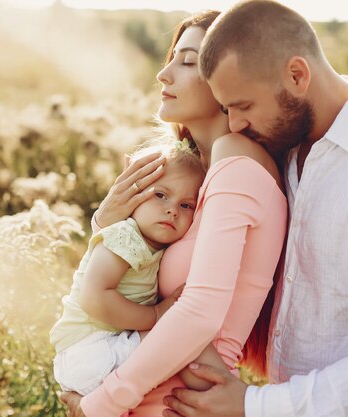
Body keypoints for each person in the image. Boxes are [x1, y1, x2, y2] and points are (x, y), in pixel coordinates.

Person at [161, 1, 348, 416]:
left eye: (243, 106)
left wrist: (256, 406)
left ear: (297, 76)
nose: (233, 124)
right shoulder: (281, 148)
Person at [60, 9, 288, 417]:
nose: (164, 75)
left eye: (187, 62)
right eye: (171, 59)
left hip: (174, 402)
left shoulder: (237, 160)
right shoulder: (190, 174)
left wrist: (100, 405)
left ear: (230, 81)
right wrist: (105, 225)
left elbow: (200, 311)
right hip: (145, 393)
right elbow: (111, 287)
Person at [50, 137, 230, 395]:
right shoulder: (125, 236)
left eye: (185, 205)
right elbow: (94, 298)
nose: (172, 210)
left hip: (101, 349)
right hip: (88, 350)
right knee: (176, 335)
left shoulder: (155, 246)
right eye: (160, 195)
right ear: (134, 194)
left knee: (179, 339)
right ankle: (224, 394)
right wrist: (154, 316)